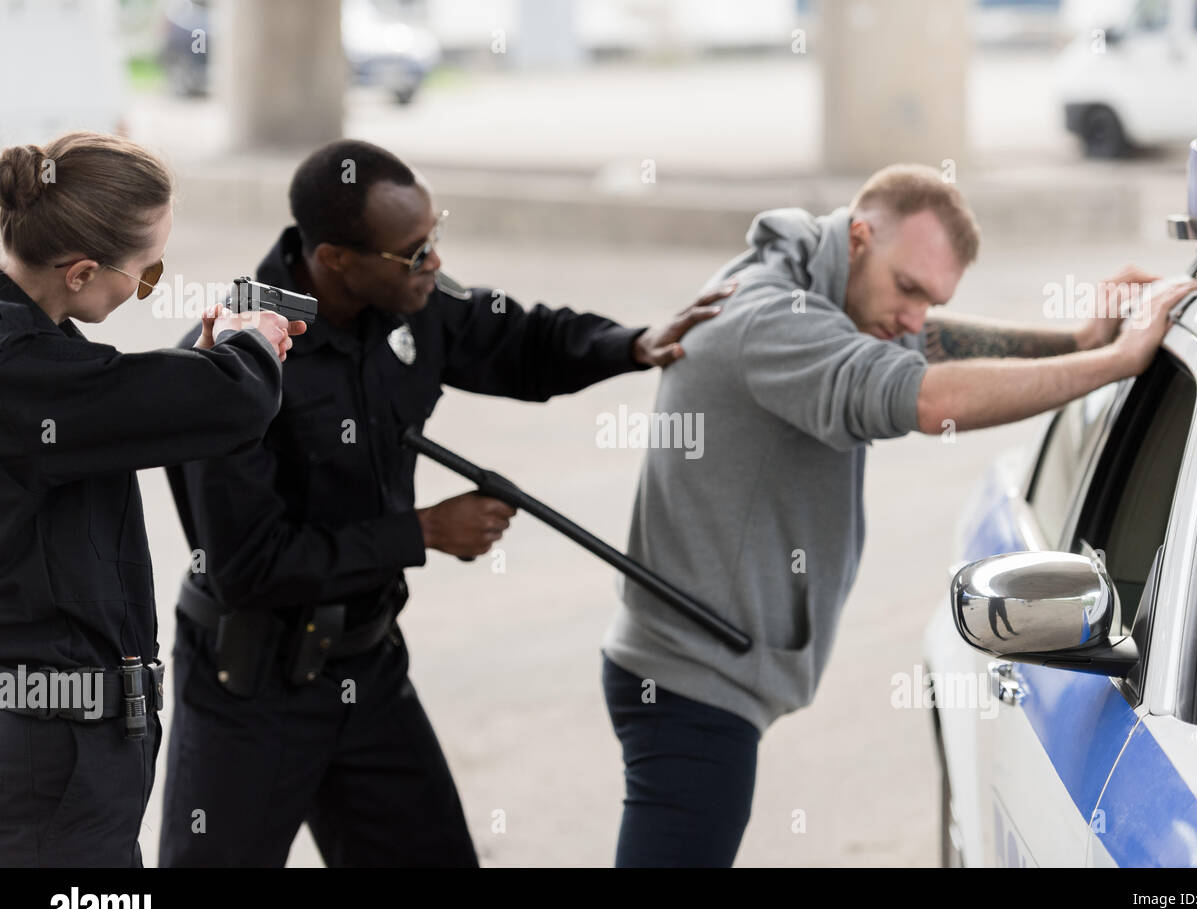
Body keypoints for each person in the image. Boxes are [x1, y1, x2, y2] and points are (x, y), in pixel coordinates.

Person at [600, 163, 1197, 867]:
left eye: (931, 299)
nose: (914, 318)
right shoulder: (771, 321)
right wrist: (1114, 364)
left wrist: (1077, 344)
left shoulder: (811, 282)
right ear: (859, 237)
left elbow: (922, 342)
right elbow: (924, 398)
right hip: (689, 686)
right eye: (909, 289)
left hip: (693, 674)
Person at [159, 138, 731, 867]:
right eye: (412, 250)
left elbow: (519, 339)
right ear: (335, 257)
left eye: (435, 235)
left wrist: (632, 343)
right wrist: (422, 531)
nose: (432, 260)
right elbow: (249, 566)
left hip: (365, 667)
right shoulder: (234, 358)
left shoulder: (411, 300)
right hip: (252, 688)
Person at [0, 131, 303, 866]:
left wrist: (199, 369)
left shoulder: (36, 354)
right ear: (79, 271)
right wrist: (251, 344)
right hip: (46, 768)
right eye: (146, 273)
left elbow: (100, 407)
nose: (150, 286)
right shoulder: (29, 369)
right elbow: (234, 404)